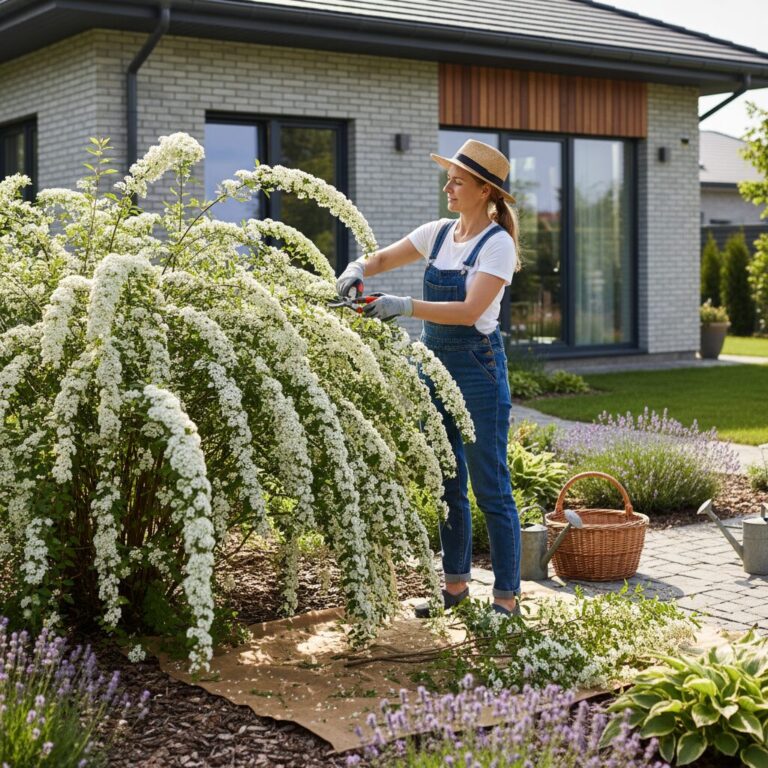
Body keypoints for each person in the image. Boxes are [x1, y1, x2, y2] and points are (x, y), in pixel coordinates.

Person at [336, 139, 522, 616]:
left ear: (485, 190)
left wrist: (403, 305)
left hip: (478, 370)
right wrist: (356, 269)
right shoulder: (438, 234)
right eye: (450, 178)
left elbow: (469, 310)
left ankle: (506, 598)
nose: (449, 187)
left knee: (491, 486)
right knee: (447, 480)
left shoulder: (496, 244)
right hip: (434, 368)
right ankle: (456, 590)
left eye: (458, 181)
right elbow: (380, 259)